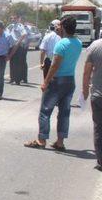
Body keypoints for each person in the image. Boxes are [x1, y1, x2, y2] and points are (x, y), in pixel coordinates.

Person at [25, 15, 82, 150]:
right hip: (70, 80)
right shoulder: (78, 43)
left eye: (59, 25)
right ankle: (60, 141)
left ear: (63, 27)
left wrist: (46, 82)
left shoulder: (61, 44)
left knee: (45, 110)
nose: (57, 27)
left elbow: (54, 65)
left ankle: (41, 140)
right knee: (64, 112)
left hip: (57, 81)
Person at [82, 37, 102, 171]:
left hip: (98, 95)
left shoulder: (95, 45)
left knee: (99, 128)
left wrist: (84, 91)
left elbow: (87, 71)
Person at [8, 16, 28, 85]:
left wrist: (18, 42)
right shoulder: (11, 26)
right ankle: (12, 78)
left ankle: (17, 80)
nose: (12, 19)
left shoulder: (20, 26)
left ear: (17, 19)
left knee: (17, 63)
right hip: (12, 46)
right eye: (11, 18)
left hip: (18, 46)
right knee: (12, 63)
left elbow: (24, 34)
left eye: (14, 18)